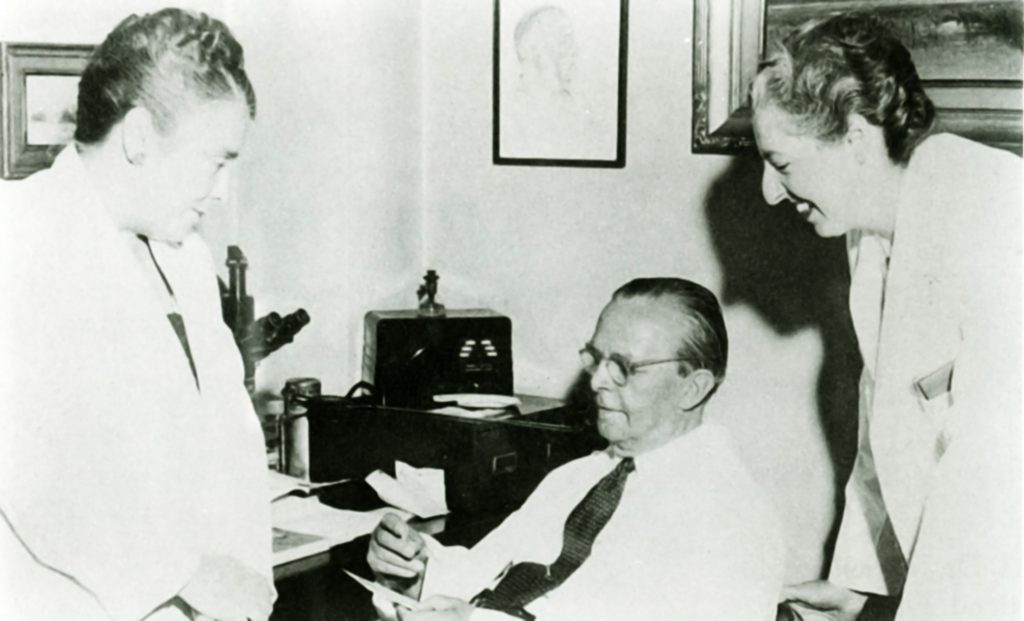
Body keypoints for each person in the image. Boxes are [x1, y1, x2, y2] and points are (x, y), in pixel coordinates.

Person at [0, 8, 275, 620]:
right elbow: (37, 479)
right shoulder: (16, 240)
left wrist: (248, 579)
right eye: (216, 160)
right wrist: (192, 573)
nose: (222, 189)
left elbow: (232, 439)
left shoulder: (183, 258)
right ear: (140, 137)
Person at [750, 13, 1021, 621]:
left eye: (783, 163)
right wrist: (864, 591)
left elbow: (988, 485)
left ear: (855, 138)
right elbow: (890, 440)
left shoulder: (995, 211)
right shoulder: (870, 233)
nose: (770, 191)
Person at [367, 278, 784, 620]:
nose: (598, 380)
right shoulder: (583, 475)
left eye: (623, 367)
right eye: (596, 358)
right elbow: (489, 574)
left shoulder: (729, 520)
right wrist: (413, 571)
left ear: (693, 386)